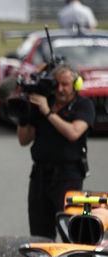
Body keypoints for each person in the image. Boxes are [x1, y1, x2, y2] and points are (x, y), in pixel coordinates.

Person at [17, 64, 95, 239]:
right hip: (39, 176)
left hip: (68, 176)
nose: (60, 89)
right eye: (57, 84)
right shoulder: (44, 102)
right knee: (39, 233)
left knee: (71, 231)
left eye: (65, 84)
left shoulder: (83, 105)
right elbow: (24, 140)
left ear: (76, 85)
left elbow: (73, 133)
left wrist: (48, 112)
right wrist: (24, 118)